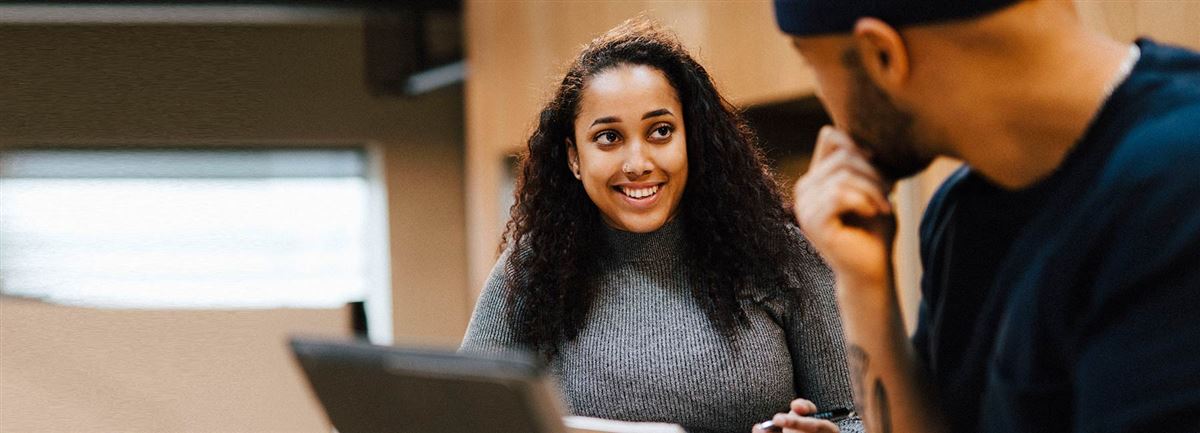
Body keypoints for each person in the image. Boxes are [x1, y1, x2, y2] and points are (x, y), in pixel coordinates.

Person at [764, 0, 1200, 432]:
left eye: (812, 66)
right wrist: (863, 286)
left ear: (883, 55)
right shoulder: (960, 212)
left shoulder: (1174, 187)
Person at [461, 18, 863, 433]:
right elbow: (462, 417)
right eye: (608, 138)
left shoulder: (779, 254)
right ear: (574, 158)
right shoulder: (531, 270)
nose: (638, 164)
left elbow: (861, 418)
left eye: (661, 131)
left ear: (692, 140)